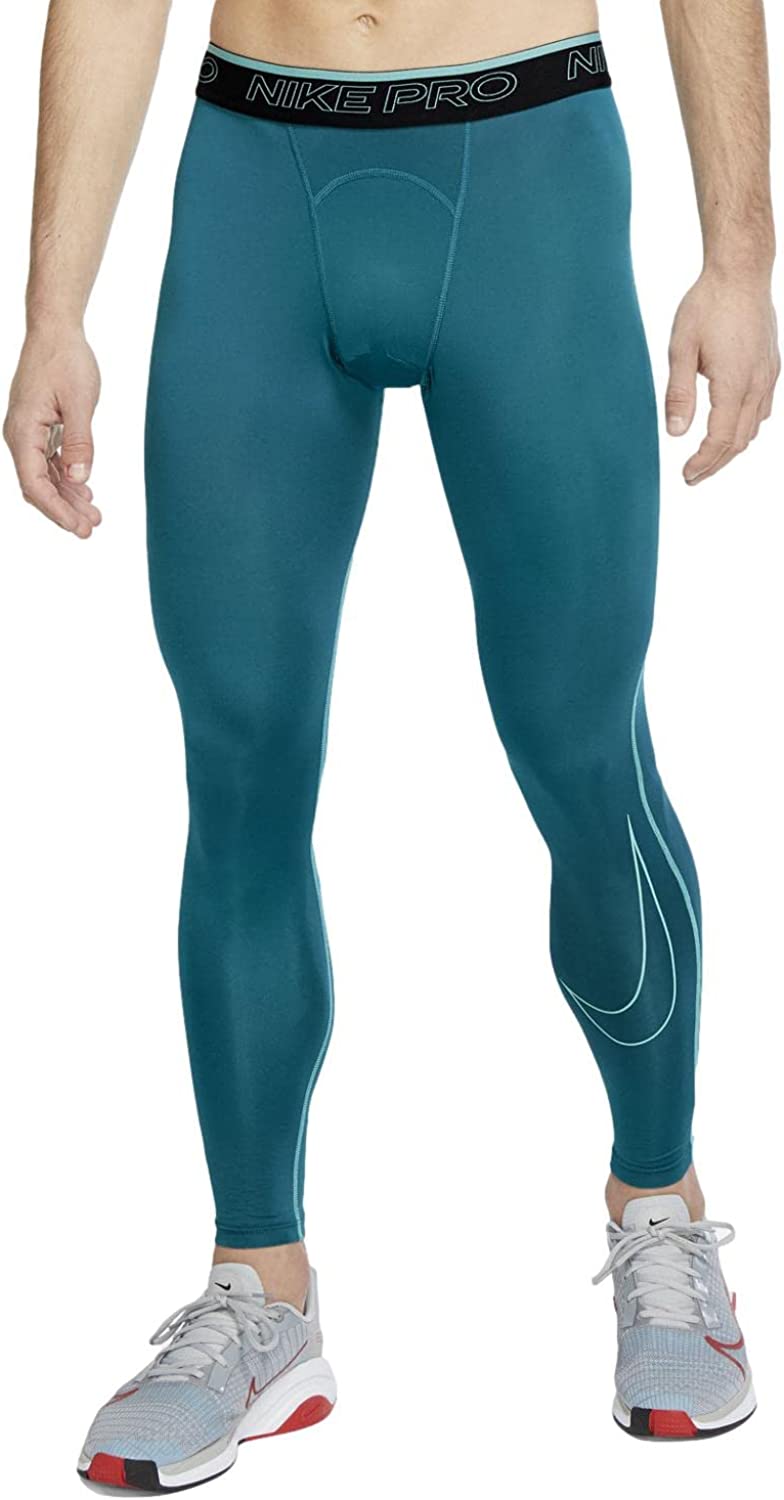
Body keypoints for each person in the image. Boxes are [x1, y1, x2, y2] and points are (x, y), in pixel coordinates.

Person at [4, 0, 780, 1485]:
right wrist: (54, 307)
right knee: (239, 757)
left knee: (580, 743)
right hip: (253, 178)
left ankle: (660, 1210)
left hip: (530, 158)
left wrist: (740, 257)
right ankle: (260, 1293)